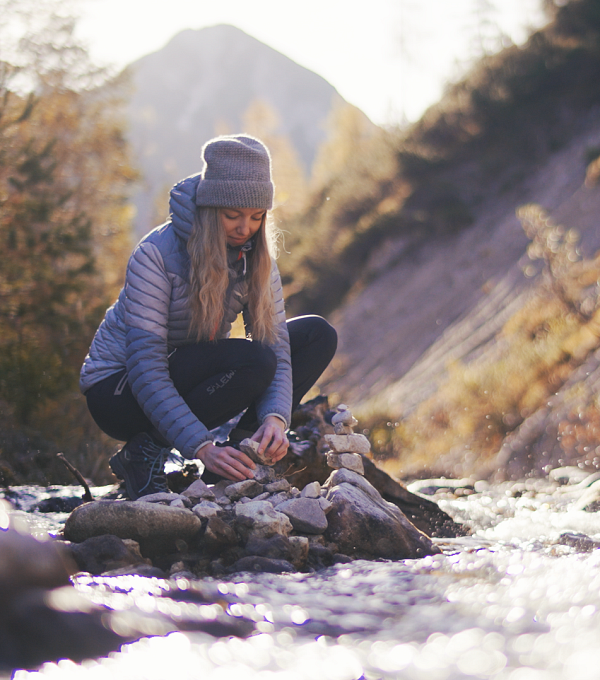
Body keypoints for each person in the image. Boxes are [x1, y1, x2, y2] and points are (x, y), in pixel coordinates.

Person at [80, 135, 337, 500]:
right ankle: (143, 454)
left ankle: (245, 455)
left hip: (184, 374)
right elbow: (146, 367)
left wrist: (275, 418)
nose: (244, 228)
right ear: (209, 207)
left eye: (256, 217)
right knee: (254, 360)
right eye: (232, 215)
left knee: (315, 336)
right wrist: (201, 447)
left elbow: (276, 347)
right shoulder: (156, 255)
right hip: (118, 389)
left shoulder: (255, 257)